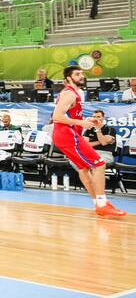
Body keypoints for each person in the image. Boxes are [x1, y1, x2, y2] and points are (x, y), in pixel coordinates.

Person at [51, 66, 126, 217]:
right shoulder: (69, 94)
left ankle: (98, 204)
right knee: (99, 164)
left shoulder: (74, 94)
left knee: (84, 169)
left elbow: (70, 117)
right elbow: (56, 117)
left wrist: (84, 120)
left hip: (64, 135)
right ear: (68, 79)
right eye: (77, 74)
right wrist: (81, 124)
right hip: (67, 134)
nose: (82, 76)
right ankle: (102, 203)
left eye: (82, 74)